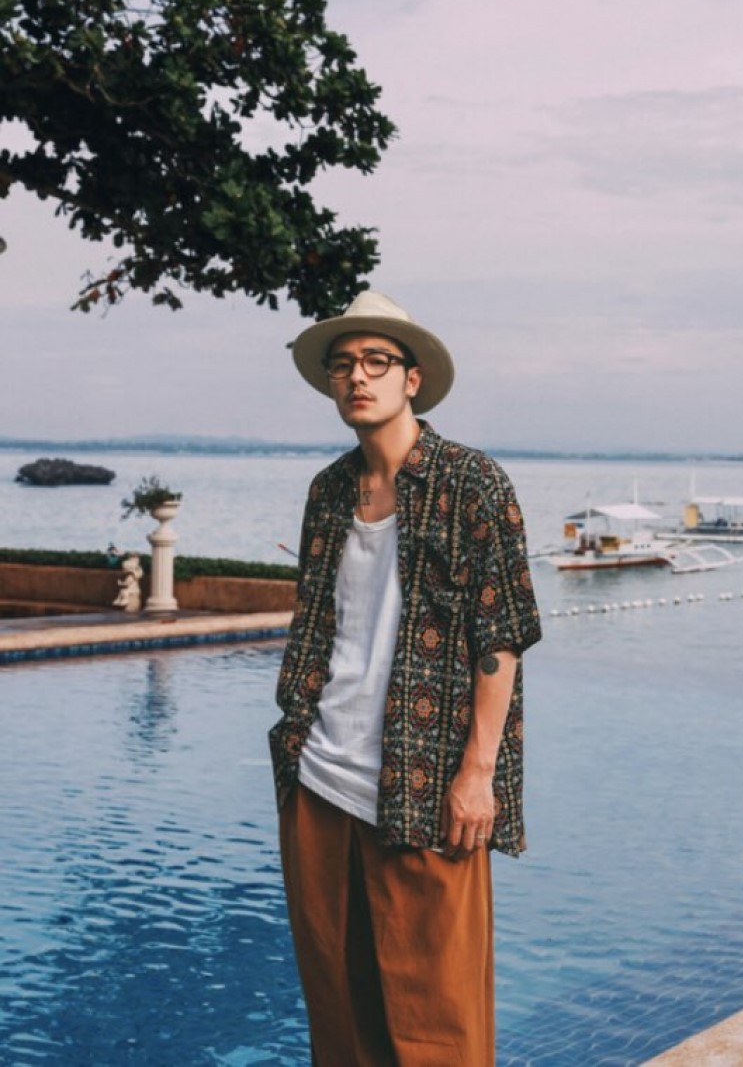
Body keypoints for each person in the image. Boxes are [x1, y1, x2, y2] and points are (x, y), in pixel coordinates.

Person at [269, 290, 541, 1066]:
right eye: (343, 364)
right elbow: (323, 627)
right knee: (340, 1024)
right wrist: (295, 743)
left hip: (426, 790)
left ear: (412, 378)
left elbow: (502, 636)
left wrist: (477, 775)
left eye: (376, 361)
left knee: (438, 1031)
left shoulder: (471, 483)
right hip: (321, 784)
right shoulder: (329, 492)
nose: (357, 376)